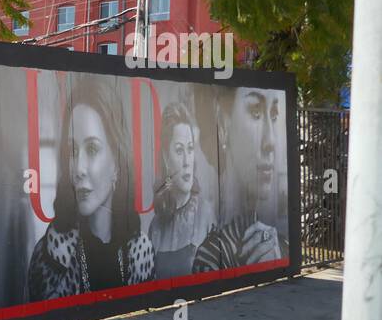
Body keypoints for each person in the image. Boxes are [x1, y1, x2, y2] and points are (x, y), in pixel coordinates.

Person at [27, 75, 155, 299]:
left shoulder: (141, 251)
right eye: (72, 151)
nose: (79, 169)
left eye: (93, 149)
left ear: (116, 162)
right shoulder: (49, 258)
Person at [193, 86, 287, 272]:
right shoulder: (209, 257)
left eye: (274, 115)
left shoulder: (280, 244)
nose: (270, 142)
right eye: (256, 112)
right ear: (223, 124)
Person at [148, 100, 217, 278]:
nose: (187, 161)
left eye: (190, 149)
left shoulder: (206, 214)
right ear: (165, 156)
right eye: (179, 151)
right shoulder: (155, 226)